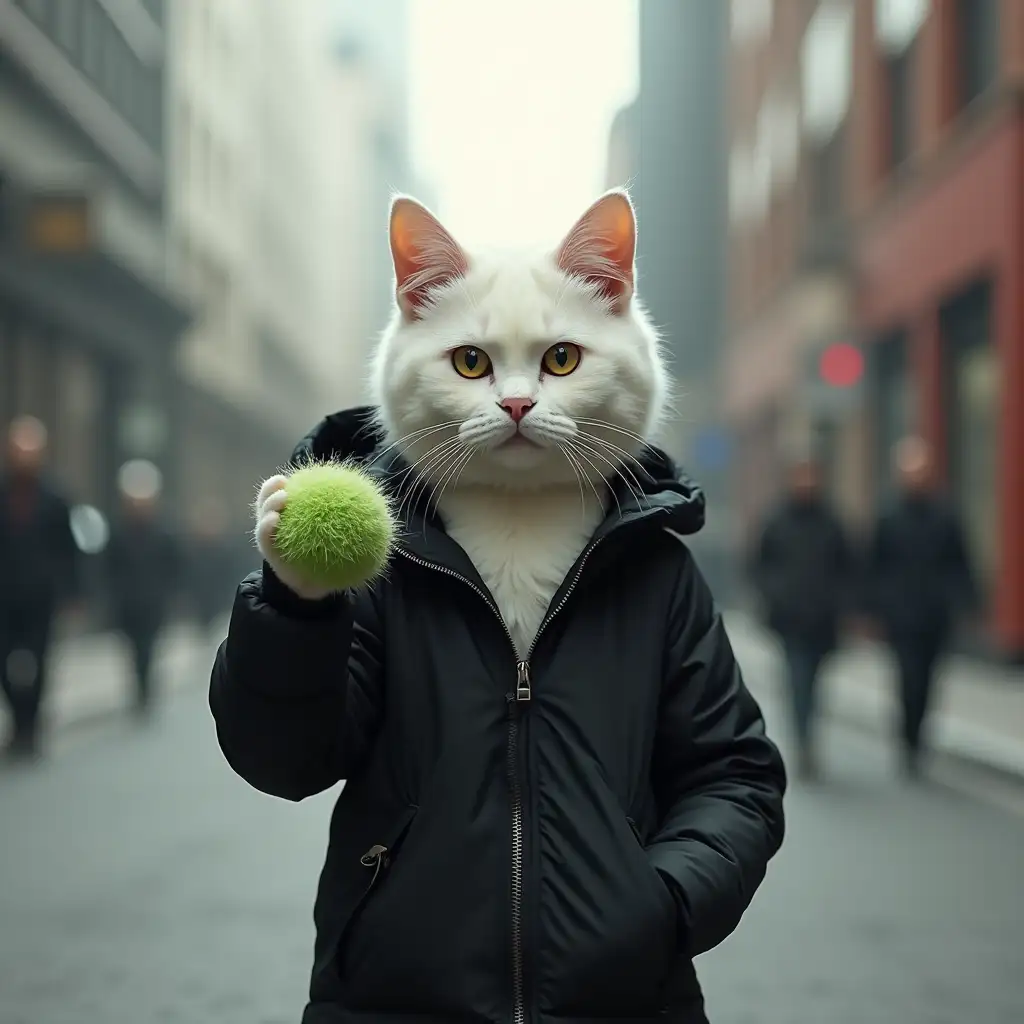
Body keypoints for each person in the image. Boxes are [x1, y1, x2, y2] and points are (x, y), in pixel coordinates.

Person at [211, 191, 785, 1023]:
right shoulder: (387, 557)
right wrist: (296, 607)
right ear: (410, 323)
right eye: (472, 364)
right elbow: (282, 761)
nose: (516, 397)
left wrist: (660, 907)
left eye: (559, 360)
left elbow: (733, 776)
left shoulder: (654, 568)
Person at [865, 436, 976, 776]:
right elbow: (874, 565)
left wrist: (964, 602)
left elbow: (960, 562)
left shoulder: (945, 516)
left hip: (934, 614)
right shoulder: (888, 517)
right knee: (907, 678)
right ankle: (907, 739)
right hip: (900, 615)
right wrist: (874, 607)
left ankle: (919, 736)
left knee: (928, 679)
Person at [750, 456, 854, 780]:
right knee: (797, 679)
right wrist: (775, 595)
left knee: (814, 682)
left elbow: (847, 568)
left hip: (822, 621)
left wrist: (841, 604)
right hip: (790, 619)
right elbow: (759, 565)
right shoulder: (777, 522)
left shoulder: (831, 522)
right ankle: (803, 741)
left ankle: (809, 732)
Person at [0, 416, 80, 759]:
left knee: (38, 658)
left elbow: (69, 550)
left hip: (40, 595)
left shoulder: (55, 499)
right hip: (4, 593)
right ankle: (17, 719)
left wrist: (73, 593)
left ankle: (31, 725)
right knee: (5, 660)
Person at [105, 460, 179, 717]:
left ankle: (145, 690)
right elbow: (109, 566)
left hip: (153, 602)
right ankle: (139, 686)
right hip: (128, 601)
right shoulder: (118, 533)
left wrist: (169, 594)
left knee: (147, 647)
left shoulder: (163, 534)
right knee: (133, 647)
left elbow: (173, 566)